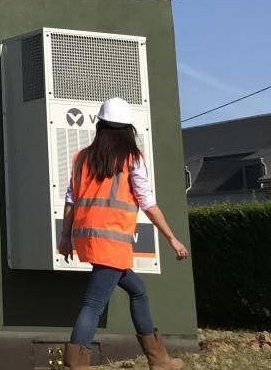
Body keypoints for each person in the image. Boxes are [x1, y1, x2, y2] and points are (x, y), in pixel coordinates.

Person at [58, 97, 190, 370]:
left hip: (90, 240)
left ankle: (159, 358)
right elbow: (148, 203)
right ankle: (75, 365)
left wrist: (65, 236)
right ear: (128, 129)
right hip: (113, 241)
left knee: (138, 291)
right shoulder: (132, 160)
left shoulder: (81, 158)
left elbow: (70, 199)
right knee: (93, 304)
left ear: (100, 126)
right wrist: (172, 238)